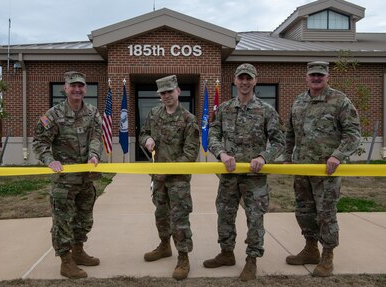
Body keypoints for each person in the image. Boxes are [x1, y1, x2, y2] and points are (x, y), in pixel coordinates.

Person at [204, 63, 285, 281]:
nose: (245, 82)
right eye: (241, 78)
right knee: (225, 213)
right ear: (235, 81)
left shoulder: (266, 110)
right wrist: (221, 153)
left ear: (255, 81)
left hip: (254, 177)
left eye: (249, 78)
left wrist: (263, 157)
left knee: (255, 218)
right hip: (229, 175)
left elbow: (279, 141)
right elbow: (212, 135)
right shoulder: (224, 109)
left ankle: (252, 259)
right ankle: (226, 253)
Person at [284, 61, 361, 277]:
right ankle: (310, 250)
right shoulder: (299, 101)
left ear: (327, 77)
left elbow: (353, 134)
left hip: (326, 172)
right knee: (304, 211)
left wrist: (338, 155)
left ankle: (327, 256)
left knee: (326, 214)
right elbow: (289, 133)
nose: (316, 78)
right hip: (301, 169)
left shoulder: (340, 101)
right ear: (306, 77)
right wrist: (287, 158)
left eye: (320, 75)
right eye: (313, 75)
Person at [32, 71, 104, 279]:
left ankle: (79, 252)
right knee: (62, 221)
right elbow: (40, 142)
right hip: (64, 182)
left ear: (85, 89)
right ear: (65, 88)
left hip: (86, 179)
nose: (77, 89)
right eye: (73, 86)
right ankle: (65, 262)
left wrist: (94, 155)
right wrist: (49, 160)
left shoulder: (92, 112)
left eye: (81, 86)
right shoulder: (53, 115)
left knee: (84, 219)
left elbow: (96, 137)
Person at [139, 75, 200, 281]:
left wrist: (169, 171)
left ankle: (183, 258)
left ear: (178, 91)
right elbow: (143, 133)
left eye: (169, 92)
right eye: (163, 93)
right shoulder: (154, 114)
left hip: (178, 181)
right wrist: (146, 139)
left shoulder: (188, 119)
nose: (166, 96)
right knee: (161, 214)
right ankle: (165, 246)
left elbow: (190, 154)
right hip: (158, 177)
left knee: (179, 219)